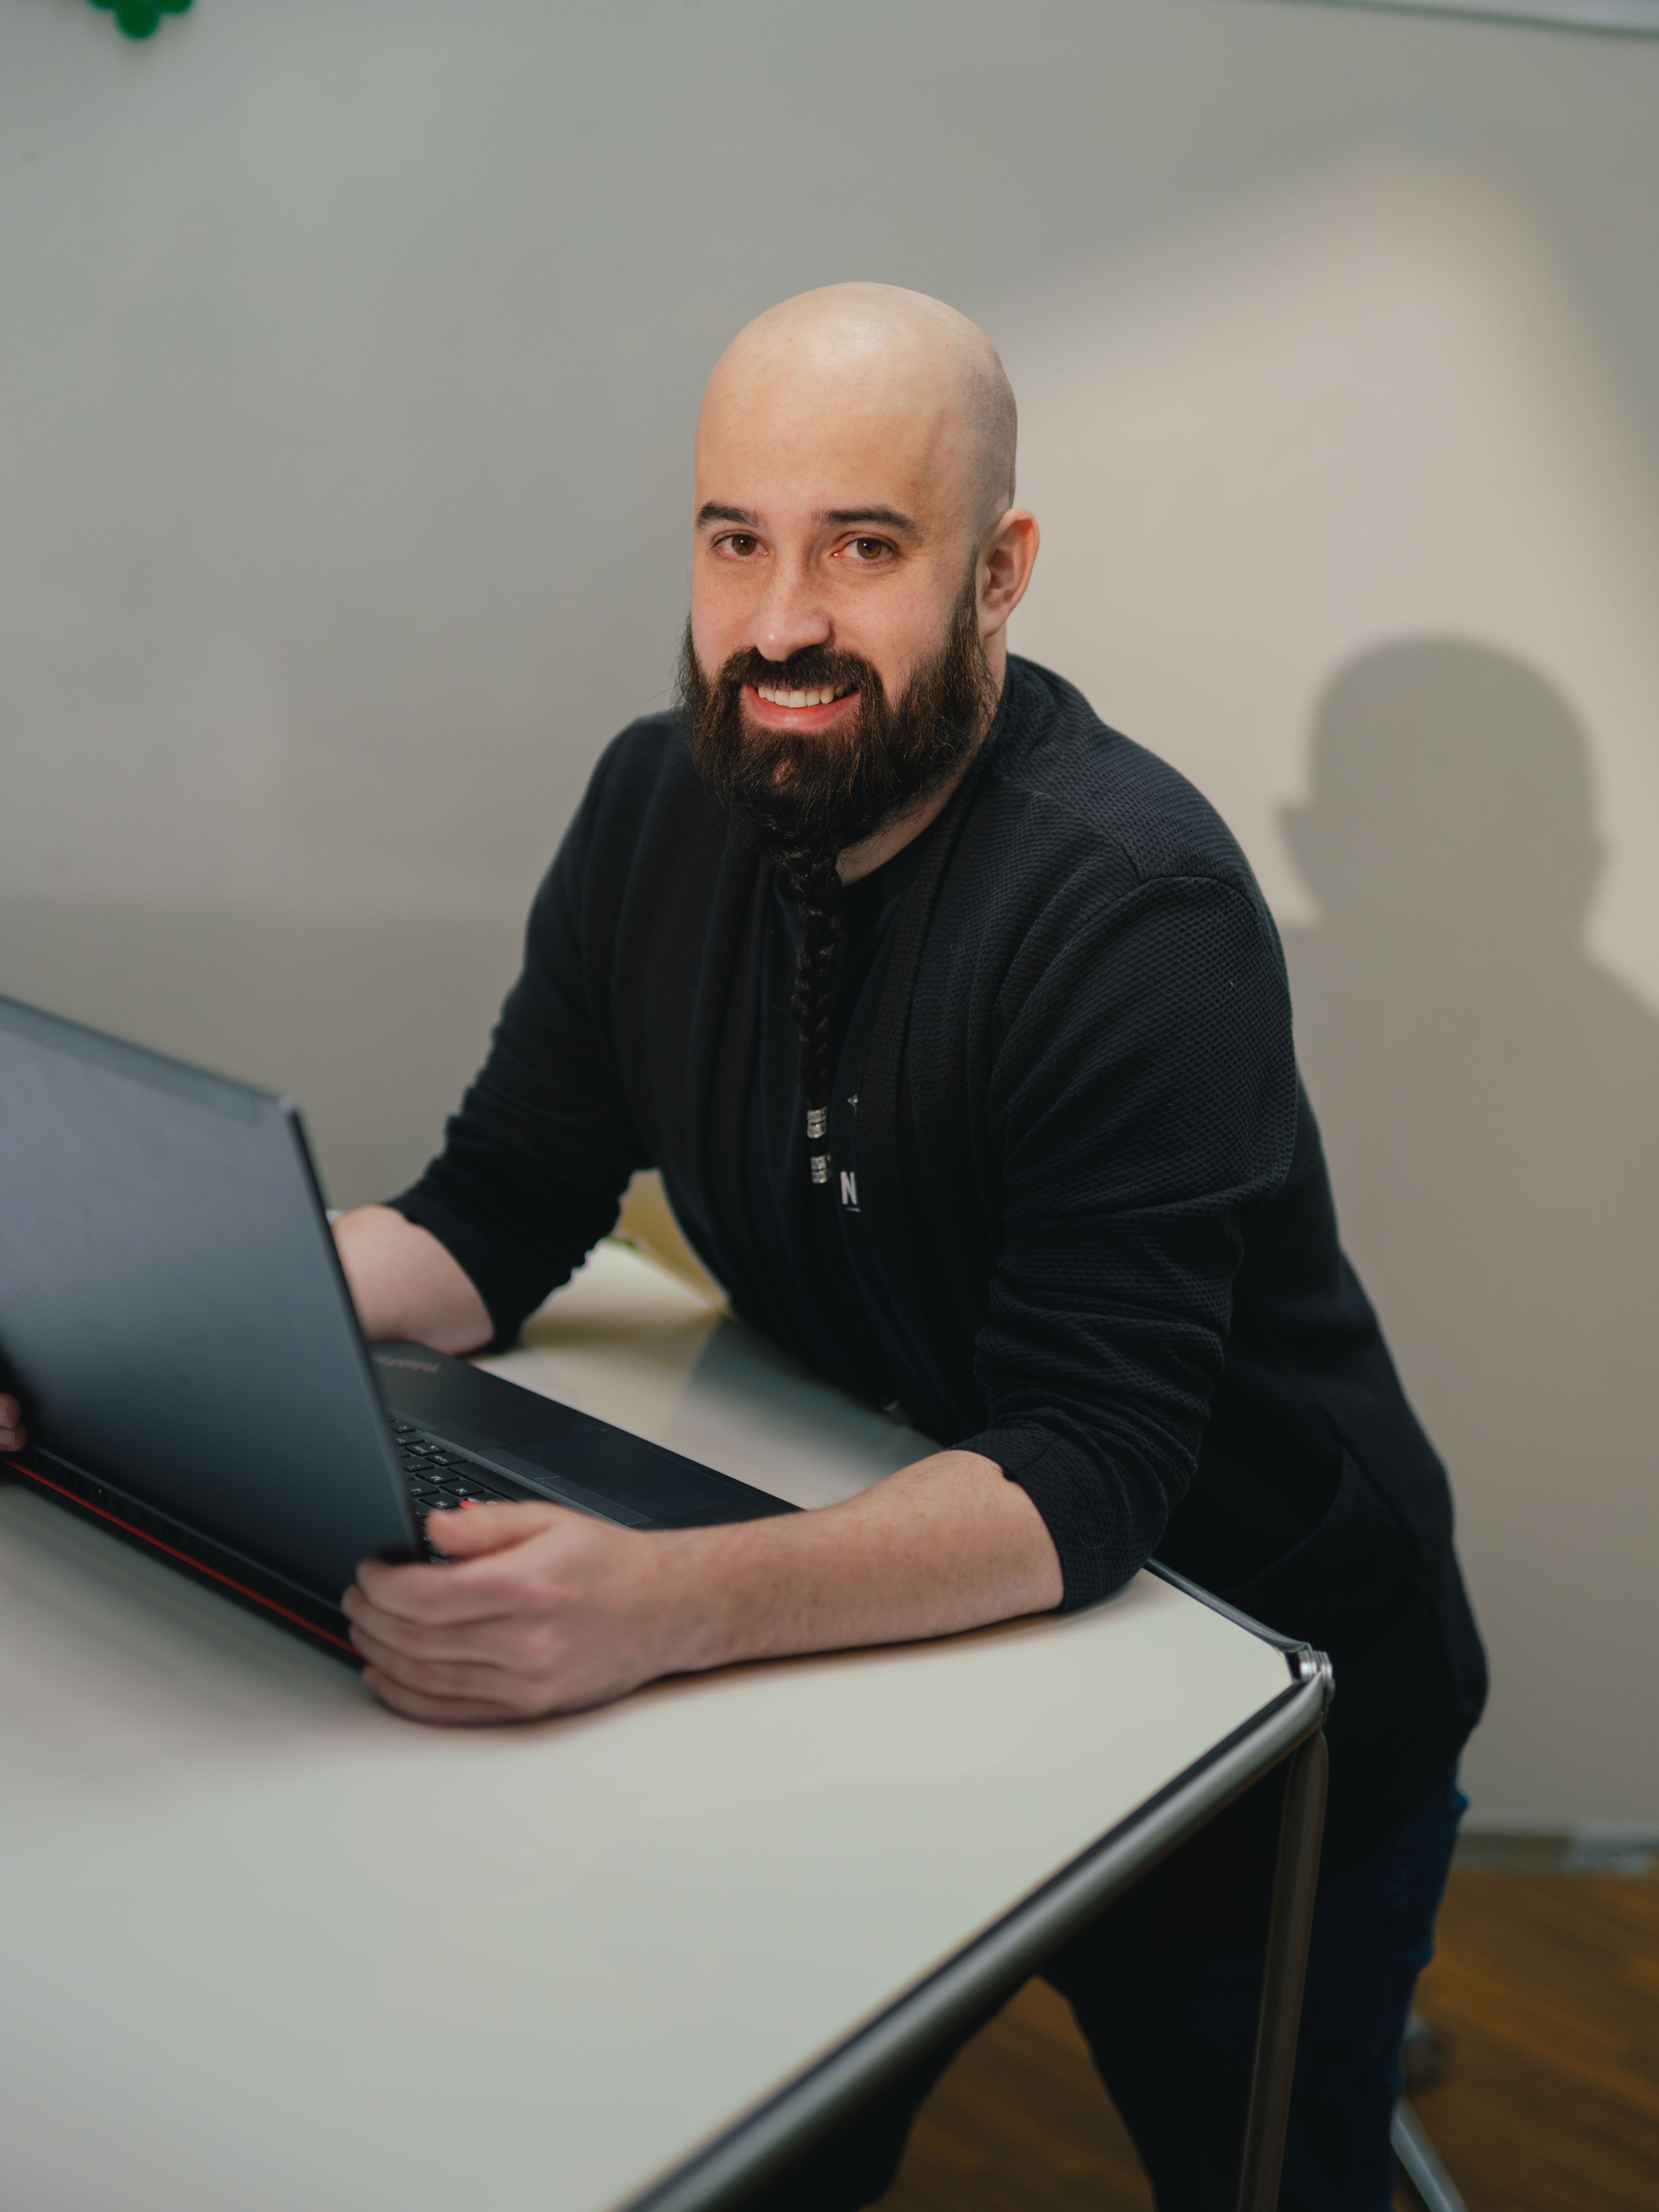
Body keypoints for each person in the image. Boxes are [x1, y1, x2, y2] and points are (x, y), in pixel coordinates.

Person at [0, 284, 1485, 2209]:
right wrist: (94, 1323)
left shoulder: (1137, 906)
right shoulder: (651, 802)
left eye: (865, 545)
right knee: (756, 2149)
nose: (781, 621)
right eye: (736, 540)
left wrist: (668, 1597)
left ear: (999, 570)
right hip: (898, 1615)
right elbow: (488, 1217)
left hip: (1247, 1672)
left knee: (1271, 2174)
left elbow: (1093, 1464)